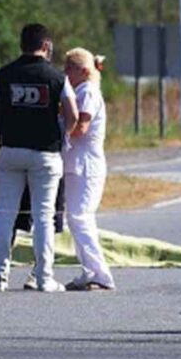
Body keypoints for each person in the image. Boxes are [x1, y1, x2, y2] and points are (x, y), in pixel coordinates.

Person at [0, 23, 77, 292]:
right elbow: (72, 114)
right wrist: (62, 136)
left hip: (10, 150)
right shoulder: (57, 78)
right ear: (46, 46)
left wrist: (3, 130)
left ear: (21, 44)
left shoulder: (4, 74)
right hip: (45, 154)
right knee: (44, 216)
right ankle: (44, 277)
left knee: (5, 214)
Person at [61, 47, 115, 291]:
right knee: (76, 219)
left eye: (69, 68)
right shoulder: (78, 90)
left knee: (81, 218)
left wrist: (55, 136)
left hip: (87, 164)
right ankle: (89, 270)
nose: (65, 73)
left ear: (83, 71)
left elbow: (81, 127)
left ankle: (100, 273)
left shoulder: (88, 91)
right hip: (76, 163)